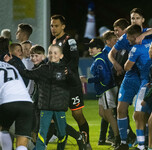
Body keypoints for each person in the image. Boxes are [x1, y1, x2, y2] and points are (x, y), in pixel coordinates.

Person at [108, 8, 152, 150]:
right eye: (132, 18)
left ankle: (147, 142)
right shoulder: (126, 37)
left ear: (143, 20)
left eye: (137, 18)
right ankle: (123, 142)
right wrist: (116, 64)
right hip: (131, 76)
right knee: (121, 108)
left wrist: (144, 34)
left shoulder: (149, 33)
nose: (134, 21)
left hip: (147, 77)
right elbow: (112, 53)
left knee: (143, 113)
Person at [5, 44, 77, 150]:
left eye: (55, 53)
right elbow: (26, 73)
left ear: (61, 56)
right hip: (45, 107)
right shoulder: (43, 69)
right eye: (50, 52)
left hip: (59, 108)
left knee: (62, 133)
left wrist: (70, 75)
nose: (52, 55)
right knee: (42, 133)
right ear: (48, 55)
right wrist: (12, 62)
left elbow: (74, 83)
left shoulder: (65, 70)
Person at [50, 14, 91, 149]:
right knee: (54, 116)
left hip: (72, 84)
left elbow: (74, 60)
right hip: (60, 85)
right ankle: (66, 139)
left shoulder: (70, 40)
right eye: (51, 26)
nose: (53, 28)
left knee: (77, 114)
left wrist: (66, 70)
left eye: (56, 26)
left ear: (63, 26)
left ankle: (86, 142)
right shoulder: (54, 42)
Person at [80, 38, 120, 147]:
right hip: (105, 90)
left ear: (99, 49)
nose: (90, 49)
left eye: (92, 47)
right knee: (102, 113)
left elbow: (105, 78)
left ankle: (118, 139)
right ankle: (119, 133)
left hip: (107, 90)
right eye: (89, 47)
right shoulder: (99, 58)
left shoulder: (99, 60)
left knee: (109, 115)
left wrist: (88, 80)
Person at [0, 61, 33, 150]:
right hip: (27, 103)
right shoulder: (10, 66)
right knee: (22, 140)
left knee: (3, 129)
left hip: (8, 102)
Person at [97, 31, 118, 146]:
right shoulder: (107, 53)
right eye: (114, 40)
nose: (116, 42)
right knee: (107, 113)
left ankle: (111, 138)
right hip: (108, 87)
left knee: (107, 113)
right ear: (108, 41)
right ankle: (118, 137)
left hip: (106, 87)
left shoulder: (106, 52)